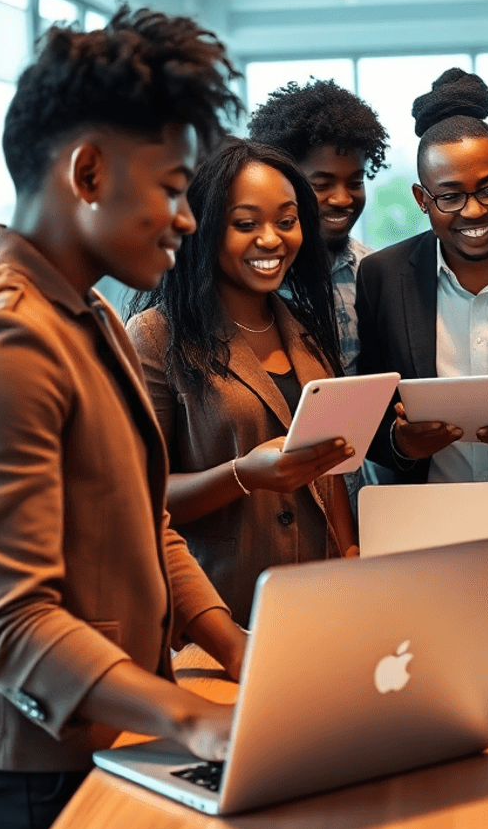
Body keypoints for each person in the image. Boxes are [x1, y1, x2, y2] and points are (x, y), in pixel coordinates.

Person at [0, 8, 249, 829]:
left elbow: (145, 520)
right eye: (172, 188)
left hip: (110, 738)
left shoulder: (86, 312)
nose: (187, 219)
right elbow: (13, 620)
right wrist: (195, 718)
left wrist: (238, 650)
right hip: (27, 773)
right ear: (88, 172)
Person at [127, 139, 357, 627]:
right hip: (221, 611)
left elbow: (329, 472)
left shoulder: (303, 327)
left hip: (322, 604)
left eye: (287, 221)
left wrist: (352, 557)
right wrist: (242, 475)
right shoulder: (156, 336)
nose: (272, 240)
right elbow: (139, 498)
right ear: (204, 228)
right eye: (246, 224)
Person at [356, 67, 488, 483]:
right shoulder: (382, 277)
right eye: (450, 196)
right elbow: (368, 413)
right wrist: (399, 442)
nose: (474, 211)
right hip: (428, 508)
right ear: (422, 199)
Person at [248, 79, 388, 375]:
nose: (342, 199)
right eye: (322, 185)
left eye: (355, 183)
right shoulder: (258, 272)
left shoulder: (373, 271)